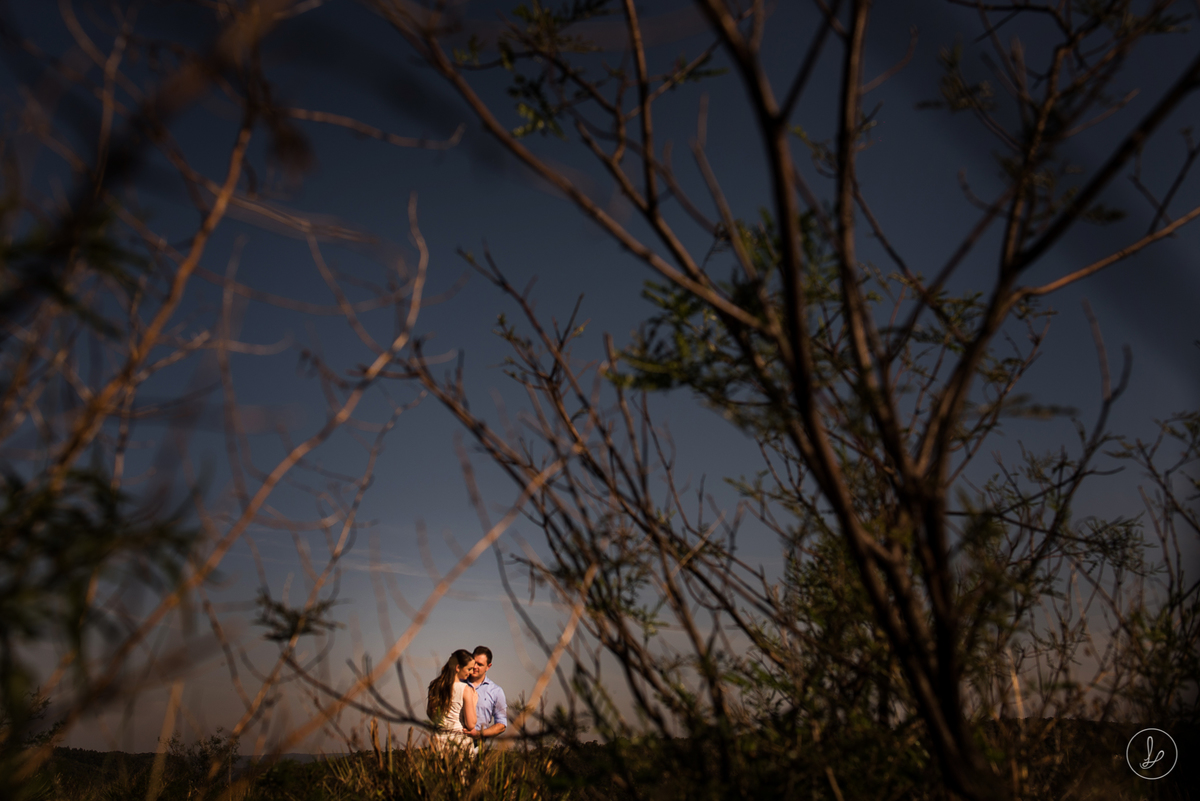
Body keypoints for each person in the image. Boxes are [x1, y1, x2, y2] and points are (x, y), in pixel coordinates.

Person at [426, 649, 478, 754]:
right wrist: (474, 701)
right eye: (469, 669)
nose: (471, 672)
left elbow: (431, 715)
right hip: (458, 742)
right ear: (458, 667)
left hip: (438, 741)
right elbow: (470, 724)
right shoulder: (465, 689)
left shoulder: (434, 686)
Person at [465, 645, 507, 744]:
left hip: (477, 745)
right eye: (474, 662)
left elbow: (501, 725)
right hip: (452, 743)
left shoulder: (496, 691)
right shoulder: (458, 684)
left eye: (480, 664)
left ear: (488, 666)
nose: (475, 667)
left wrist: (478, 734)